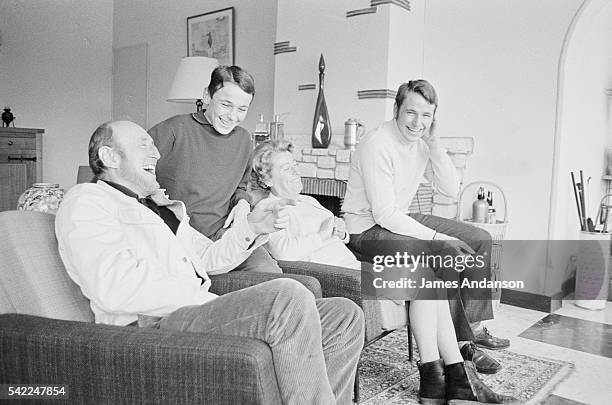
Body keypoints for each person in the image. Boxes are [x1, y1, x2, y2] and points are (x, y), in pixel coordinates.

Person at [55, 121, 364, 405]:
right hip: (152, 323)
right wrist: (202, 300)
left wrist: (253, 228)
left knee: (344, 315)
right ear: (110, 157)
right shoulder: (88, 201)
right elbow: (113, 288)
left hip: (198, 309)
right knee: (288, 294)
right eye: (144, 145)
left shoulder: (162, 208)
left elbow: (209, 259)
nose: (157, 152)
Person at [251, 140, 520, 405]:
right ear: (266, 178)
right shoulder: (271, 210)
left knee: (431, 280)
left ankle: (439, 380)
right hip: (337, 277)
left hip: (354, 266)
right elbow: (285, 253)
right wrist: (323, 233)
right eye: (286, 168)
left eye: (294, 164)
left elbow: (341, 235)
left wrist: (340, 230)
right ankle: (452, 377)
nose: (295, 170)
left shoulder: (308, 201)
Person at [342, 79, 510, 361]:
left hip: (397, 218)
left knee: (480, 239)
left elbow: (450, 188)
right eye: (411, 112)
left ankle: (473, 327)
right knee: (445, 251)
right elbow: (383, 213)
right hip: (365, 230)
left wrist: (434, 145)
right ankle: (461, 347)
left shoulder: (421, 143)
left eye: (426, 115)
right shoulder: (377, 144)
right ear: (396, 109)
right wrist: (437, 238)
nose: (417, 122)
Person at [148, 65, 281, 273]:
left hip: (228, 235)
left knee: (274, 277)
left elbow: (241, 186)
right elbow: (129, 173)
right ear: (207, 96)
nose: (233, 116)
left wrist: (243, 203)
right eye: (226, 105)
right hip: (186, 243)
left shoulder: (244, 140)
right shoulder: (174, 130)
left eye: (242, 109)